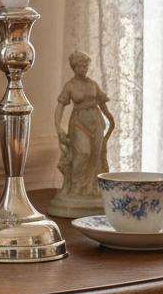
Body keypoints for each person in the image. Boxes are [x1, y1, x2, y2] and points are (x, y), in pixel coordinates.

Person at [47, 49, 116, 218]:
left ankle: (92, 188)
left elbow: (102, 104)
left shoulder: (92, 84)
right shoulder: (70, 85)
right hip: (78, 122)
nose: (83, 68)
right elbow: (61, 106)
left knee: (96, 153)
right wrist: (57, 126)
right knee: (83, 152)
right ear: (73, 67)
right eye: (79, 66)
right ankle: (76, 186)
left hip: (96, 121)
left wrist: (110, 119)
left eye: (85, 65)